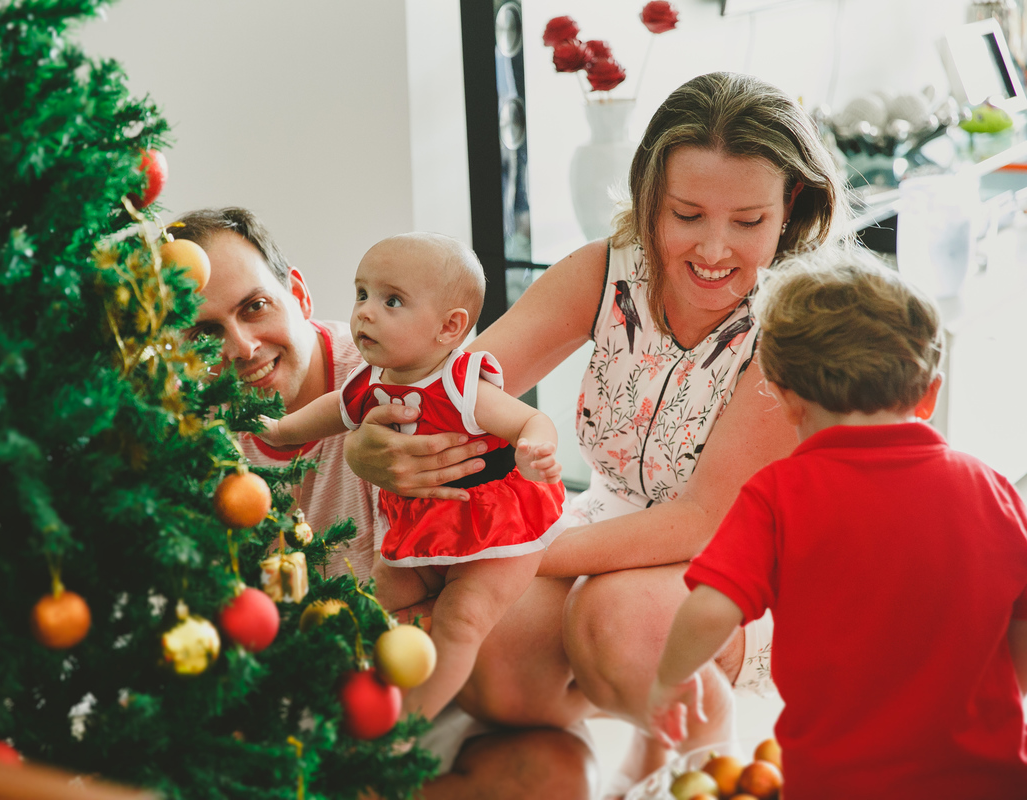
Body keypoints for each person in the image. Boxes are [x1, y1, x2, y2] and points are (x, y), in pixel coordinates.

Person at [343, 71, 847, 794]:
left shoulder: (791, 325)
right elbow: (457, 389)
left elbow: (702, 523)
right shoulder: (608, 271)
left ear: (790, 204)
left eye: (748, 222)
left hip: (748, 560)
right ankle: (632, 737)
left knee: (616, 618)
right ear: (650, 195)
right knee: (495, 652)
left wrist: (516, 551)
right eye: (687, 214)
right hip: (609, 523)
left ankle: (708, 752)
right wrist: (374, 441)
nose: (714, 249)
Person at [647, 250, 1027, 796]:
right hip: (988, 778)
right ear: (929, 394)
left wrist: (669, 680)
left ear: (786, 399)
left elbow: (710, 610)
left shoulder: (779, 496)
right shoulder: (992, 489)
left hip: (838, 782)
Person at [260, 232, 567, 721]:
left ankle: (411, 724)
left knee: (461, 619)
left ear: (449, 327)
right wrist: (279, 431)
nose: (365, 312)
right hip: (423, 524)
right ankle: (350, 694)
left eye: (392, 301)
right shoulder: (369, 381)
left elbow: (529, 420)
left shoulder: (461, 383)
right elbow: (330, 412)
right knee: (375, 596)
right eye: (362, 294)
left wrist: (536, 451)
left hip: (492, 522)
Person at [169, 207, 381, 581]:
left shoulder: (385, 385)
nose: (243, 348)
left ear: (299, 295)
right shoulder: (193, 433)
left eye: (255, 307)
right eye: (205, 334)